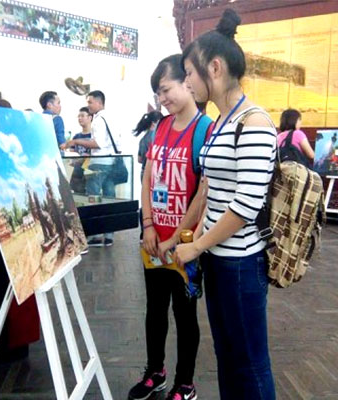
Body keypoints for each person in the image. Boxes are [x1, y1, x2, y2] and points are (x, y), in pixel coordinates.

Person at [173, 9, 277, 399]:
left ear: (214, 68)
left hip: (240, 263)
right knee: (228, 356)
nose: (186, 82)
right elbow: (214, 191)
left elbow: (246, 205)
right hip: (218, 259)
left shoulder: (254, 122)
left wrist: (196, 245)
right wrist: (199, 241)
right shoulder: (221, 122)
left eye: (189, 73)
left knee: (250, 362)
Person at [129, 54, 212, 400]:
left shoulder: (205, 130)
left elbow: (204, 194)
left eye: (166, 89)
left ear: (187, 82)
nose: (162, 98)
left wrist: (175, 239)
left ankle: (185, 383)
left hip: (185, 246)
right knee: (154, 309)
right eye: (158, 93)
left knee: (185, 313)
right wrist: (148, 226)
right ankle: (155, 372)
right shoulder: (160, 127)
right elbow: (148, 177)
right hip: (153, 241)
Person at [60, 90, 118, 247]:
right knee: (109, 199)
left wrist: (75, 142)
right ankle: (109, 235)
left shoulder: (98, 120)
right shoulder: (111, 117)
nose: (88, 105)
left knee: (93, 199)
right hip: (111, 163)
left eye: (90, 102)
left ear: (99, 102)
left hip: (98, 163)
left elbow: (97, 143)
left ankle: (97, 236)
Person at [64, 107, 93, 194]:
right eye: (78, 116)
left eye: (82, 116)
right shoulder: (76, 136)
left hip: (90, 169)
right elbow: (72, 152)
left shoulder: (94, 135)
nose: (80, 118)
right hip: (77, 169)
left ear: (90, 117)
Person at [134, 111, 163, 181]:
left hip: (144, 173)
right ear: (154, 123)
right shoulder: (159, 137)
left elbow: (139, 159)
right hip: (156, 173)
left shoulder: (143, 139)